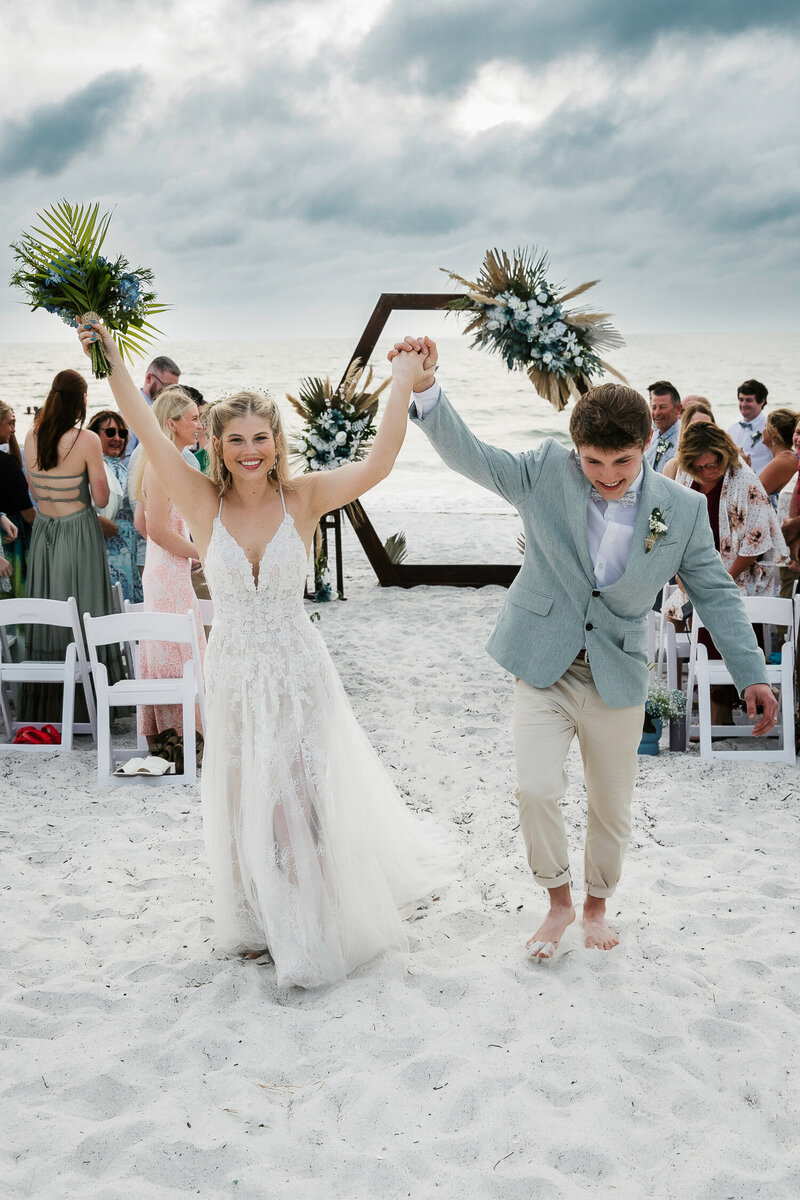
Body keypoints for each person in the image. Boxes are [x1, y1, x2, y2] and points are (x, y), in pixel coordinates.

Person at [79, 320, 453, 989]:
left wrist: (400, 383)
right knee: (246, 794)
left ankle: (306, 925)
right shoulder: (200, 499)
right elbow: (143, 419)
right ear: (218, 446)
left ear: (277, 442)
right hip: (233, 671)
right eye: (236, 439)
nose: (251, 450)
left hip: (298, 669)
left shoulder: (302, 497)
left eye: (261, 437)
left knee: (298, 799)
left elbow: (379, 463)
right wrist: (108, 356)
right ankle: (257, 913)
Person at [397, 335, 777, 961]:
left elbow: (716, 592)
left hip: (618, 672)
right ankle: (557, 901)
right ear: (577, 451)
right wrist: (427, 391)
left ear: (649, 445)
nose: (607, 477)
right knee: (536, 790)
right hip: (542, 662)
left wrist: (752, 674)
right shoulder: (548, 469)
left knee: (611, 805)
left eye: (622, 463)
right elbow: (473, 456)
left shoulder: (680, 511)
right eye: (594, 463)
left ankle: (597, 905)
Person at [20, 369, 124, 721]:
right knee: (83, 609)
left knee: (48, 611)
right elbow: (100, 496)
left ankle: (47, 706)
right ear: (82, 399)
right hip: (78, 532)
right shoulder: (86, 441)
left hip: (45, 531)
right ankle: (89, 708)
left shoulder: (31, 437)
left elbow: (34, 492)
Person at [668, 422, 787, 721]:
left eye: (713, 463)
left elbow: (757, 539)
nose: (708, 470)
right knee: (703, 645)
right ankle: (714, 719)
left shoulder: (744, 480)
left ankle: (730, 718)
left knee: (730, 639)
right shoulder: (684, 476)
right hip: (696, 575)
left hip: (738, 579)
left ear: (723, 453)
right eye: (700, 466)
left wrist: (721, 580)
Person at [131, 387, 206, 746]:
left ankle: (183, 736)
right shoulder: (160, 469)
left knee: (181, 646)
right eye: (193, 418)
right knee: (175, 649)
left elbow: (145, 525)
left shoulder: (169, 462)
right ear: (172, 424)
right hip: (165, 570)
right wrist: (199, 552)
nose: (199, 424)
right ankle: (175, 737)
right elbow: (157, 530)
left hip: (168, 567)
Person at [86, 410, 143, 605]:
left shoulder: (121, 467)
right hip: (106, 554)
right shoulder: (93, 467)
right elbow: (78, 506)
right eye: (110, 433)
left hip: (128, 554)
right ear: (94, 435)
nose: (117, 438)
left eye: (122, 433)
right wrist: (104, 524)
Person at [0, 402, 35, 595]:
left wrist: (10, 436)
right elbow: (29, 514)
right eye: (10, 423)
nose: (14, 428)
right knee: (17, 596)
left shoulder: (9, 462)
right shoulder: (7, 464)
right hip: (12, 537)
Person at [122, 355, 181, 467]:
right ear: (149, 378)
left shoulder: (166, 410)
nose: (170, 393)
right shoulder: (132, 409)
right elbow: (124, 459)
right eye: (167, 387)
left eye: (174, 389)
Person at [662, 399, 716, 481]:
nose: (702, 433)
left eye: (707, 427)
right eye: (694, 428)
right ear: (685, 430)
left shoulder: (724, 464)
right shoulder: (673, 467)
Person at [727, 378, 771, 475]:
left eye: (748, 400)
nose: (743, 404)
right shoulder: (731, 429)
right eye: (741, 400)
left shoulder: (770, 428)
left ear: (762, 401)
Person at [758, 408, 799, 510]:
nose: (762, 430)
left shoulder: (782, 461)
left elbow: (752, 496)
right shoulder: (791, 457)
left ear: (773, 432)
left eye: (765, 426)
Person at [644, 381, 682, 473]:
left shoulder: (683, 438)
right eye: (654, 407)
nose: (657, 413)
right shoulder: (649, 434)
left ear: (678, 409)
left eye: (662, 407)